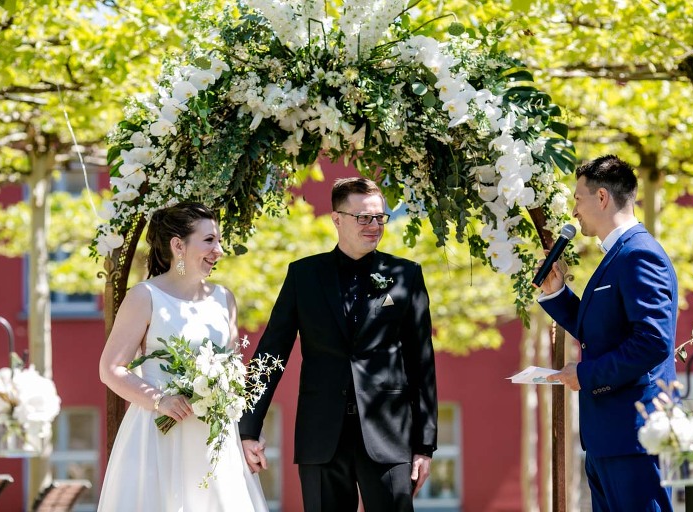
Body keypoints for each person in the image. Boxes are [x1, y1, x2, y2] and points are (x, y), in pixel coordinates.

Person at [239, 177, 438, 512]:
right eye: (364, 218)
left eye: (379, 217)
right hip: (321, 434)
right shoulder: (303, 276)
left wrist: (424, 446)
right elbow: (271, 352)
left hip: (388, 437)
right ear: (337, 219)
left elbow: (422, 363)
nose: (374, 226)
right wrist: (247, 428)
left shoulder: (406, 275)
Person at [97, 202, 268, 512]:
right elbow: (111, 369)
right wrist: (160, 400)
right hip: (161, 434)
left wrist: (247, 435)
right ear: (178, 245)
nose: (218, 250)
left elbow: (234, 374)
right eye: (209, 240)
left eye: (218, 240)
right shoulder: (144, 296)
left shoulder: (224, 298)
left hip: (215, 440)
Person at [537, 155, 677, 511]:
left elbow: (652, 341)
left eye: (577, 199)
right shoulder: (618, 256)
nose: (573, 211)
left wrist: (584, 375)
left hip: (634, 437)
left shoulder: (639, 255)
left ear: (601, 198)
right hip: (607, 439)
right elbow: (601, 333)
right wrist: (556, 293)